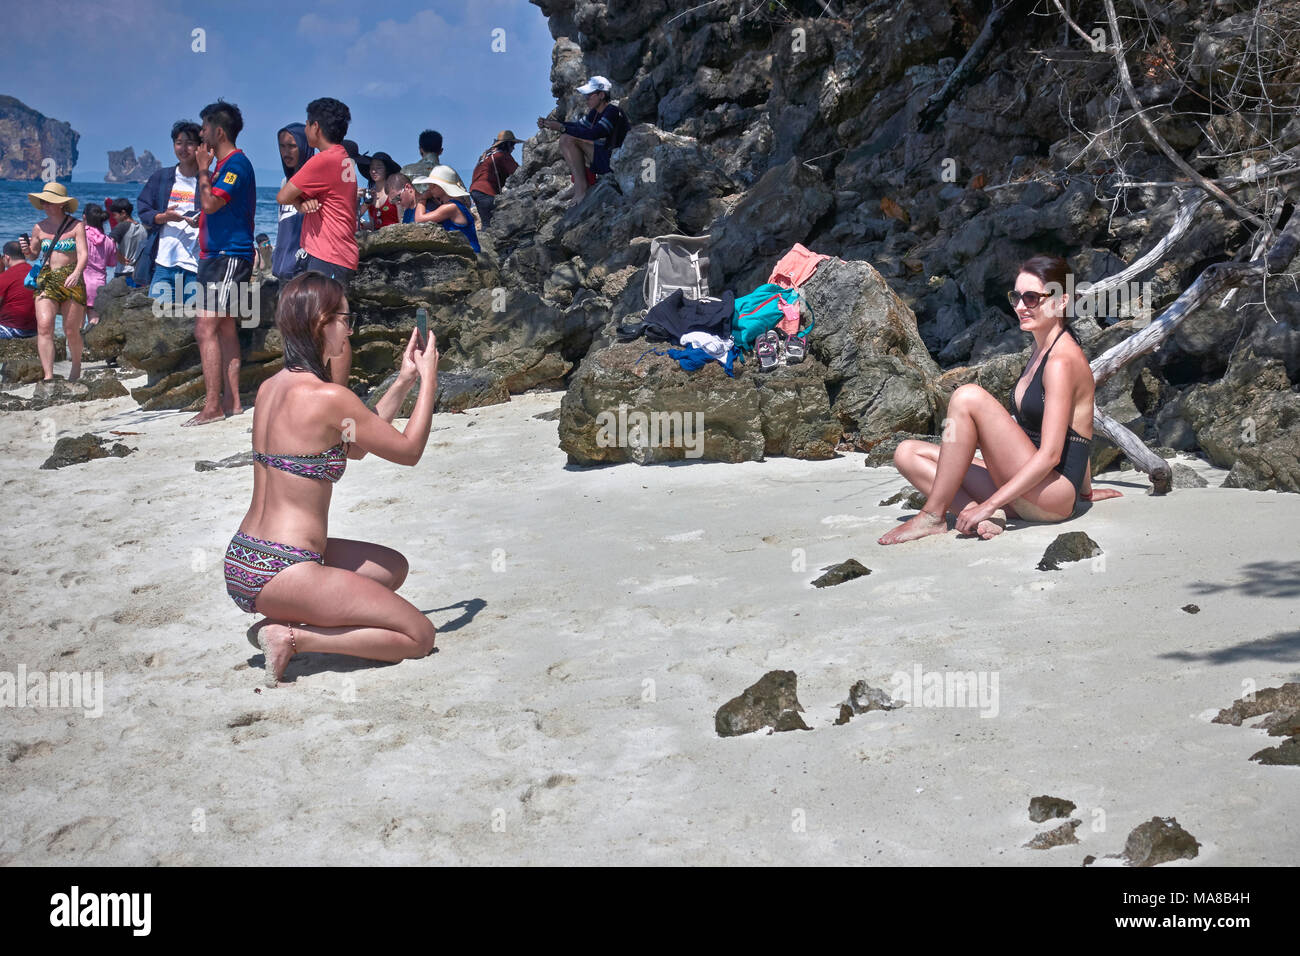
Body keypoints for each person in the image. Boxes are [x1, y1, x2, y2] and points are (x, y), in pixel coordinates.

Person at [225, 271, 440, 687]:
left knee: (390, 569)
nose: (351, 327)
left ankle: (288, 613)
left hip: (244, 559)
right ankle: (292, 636)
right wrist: (431, 377)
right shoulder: (328, 397)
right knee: (419, 636)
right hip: (287, 565)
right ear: (321, 322)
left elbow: (356, 445)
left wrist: (404, 380)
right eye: (345, 317)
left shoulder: (272, 388)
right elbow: (409, 451)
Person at [879, 255, 1123, 546]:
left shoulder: (1061, 362)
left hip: (1052, 495)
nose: (1020, 307)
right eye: (1016, 297)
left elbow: (1052, 455)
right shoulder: (1040, 349)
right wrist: (1086, 492)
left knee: (967, 396)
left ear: (1060, 301)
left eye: (1032, 298)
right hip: (1026, 483)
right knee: (907, 453)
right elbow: (1080, 428)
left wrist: (991, 502)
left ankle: (934, 516)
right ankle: (974, 514)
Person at [190, 98, 257, 426]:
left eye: (203, 128)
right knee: (226, 327)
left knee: (204, 328)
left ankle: (212, 405)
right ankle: (231, 402)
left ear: (217, 131)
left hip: (229, 256)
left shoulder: (234, 165)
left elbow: (211, 203)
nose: (200, 135)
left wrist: (202, 169)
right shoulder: (225, 166)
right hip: (216, 256)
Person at [277, 98, 359, 287]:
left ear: (316, 127)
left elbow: (282, 196)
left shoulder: (322, 160)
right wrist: (302, 201)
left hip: (328, 253)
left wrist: (297, 202)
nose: (305, 128)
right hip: (340, 252)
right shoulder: (343, 157)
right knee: (331, 314)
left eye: (307, 123)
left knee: (322, 315)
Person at [19, 183, 87, 381]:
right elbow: (33, 255)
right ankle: (48, 376)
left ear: (60, 204)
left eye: (48, 202)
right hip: (47, 278)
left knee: (70, 329)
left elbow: (83, 254)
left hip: (71, 278)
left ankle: (75, 366)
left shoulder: (76, 226)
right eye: (42, 202)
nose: (44, 205)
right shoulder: (39, 227)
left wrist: (77, 272)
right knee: (45, 325)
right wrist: (26, 251)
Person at [536, 75, 627, 205]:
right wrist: (552, 124)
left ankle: (581, 188)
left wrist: (562, 128)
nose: (586, 99)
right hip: (605, 156)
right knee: (569, 137)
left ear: (601, 95)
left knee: (567, 140)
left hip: (613, 161)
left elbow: (595, 133)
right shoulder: (595, 113)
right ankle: (580, 183)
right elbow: (578, 126)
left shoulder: (612, 111)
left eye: (589, 95)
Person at [137, 120, 203, 296]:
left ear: (200, 146)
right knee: (157, 320)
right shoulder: (161, 177)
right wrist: (163, 217)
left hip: (196, 266)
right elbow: (143, 209)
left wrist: (202, 222)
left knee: (192, 322)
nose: (183, 148)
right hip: (164, 264)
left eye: (190, 143)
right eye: (179, 143)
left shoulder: (208, 180)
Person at [273, 122, 315, 280]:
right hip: (282, 270)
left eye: (292, 146)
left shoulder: (315, 182)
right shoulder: (285, 182)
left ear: (304, 146)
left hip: (304, 271)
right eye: (282, 146)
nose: (286, 152)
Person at [412, 167, 480, 253]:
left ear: (442, 187)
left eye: (433, 185)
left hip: (470, 254)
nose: (429, 188)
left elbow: (419, 220)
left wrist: (422, 199)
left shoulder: (451, 207)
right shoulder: (456, 204)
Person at [468, 130, 520, 227]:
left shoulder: (487, 155)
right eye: (512, 145)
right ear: (507, 144)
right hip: (486, 192)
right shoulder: (502, 155)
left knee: (486, 222)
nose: (513, 148)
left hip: (475, 191)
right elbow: (518, 173)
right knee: (496, 223)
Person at [81, 204, 117, 328]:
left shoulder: (80, 236)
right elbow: (112, 263)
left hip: (80, 283)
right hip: (99, 285)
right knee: (94, 322)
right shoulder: (108, 240)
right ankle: (91, 347)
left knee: (76, 325)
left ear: (84, 217)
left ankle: (75, 348)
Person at [0, 241, 38, 339]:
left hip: (12, 329)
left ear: (6, 257)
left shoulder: (6, 276)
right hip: (35, 329)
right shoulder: (36, 273)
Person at [108, 199, 147, 286]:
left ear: (123, 213)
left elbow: (108, 243)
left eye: (115, 215)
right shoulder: (142, 228)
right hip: (138, 273)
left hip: (123, 273)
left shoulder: (122, 226)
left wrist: (117, 255)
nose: (114, 218)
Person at [361, 151, 401, 229]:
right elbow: (373, 225)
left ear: (387, 170)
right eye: (371, 168)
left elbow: (402, 222)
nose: (374, 171)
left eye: (378, 167)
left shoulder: (395, 192)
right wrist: (361, 224)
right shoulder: (369, 196)